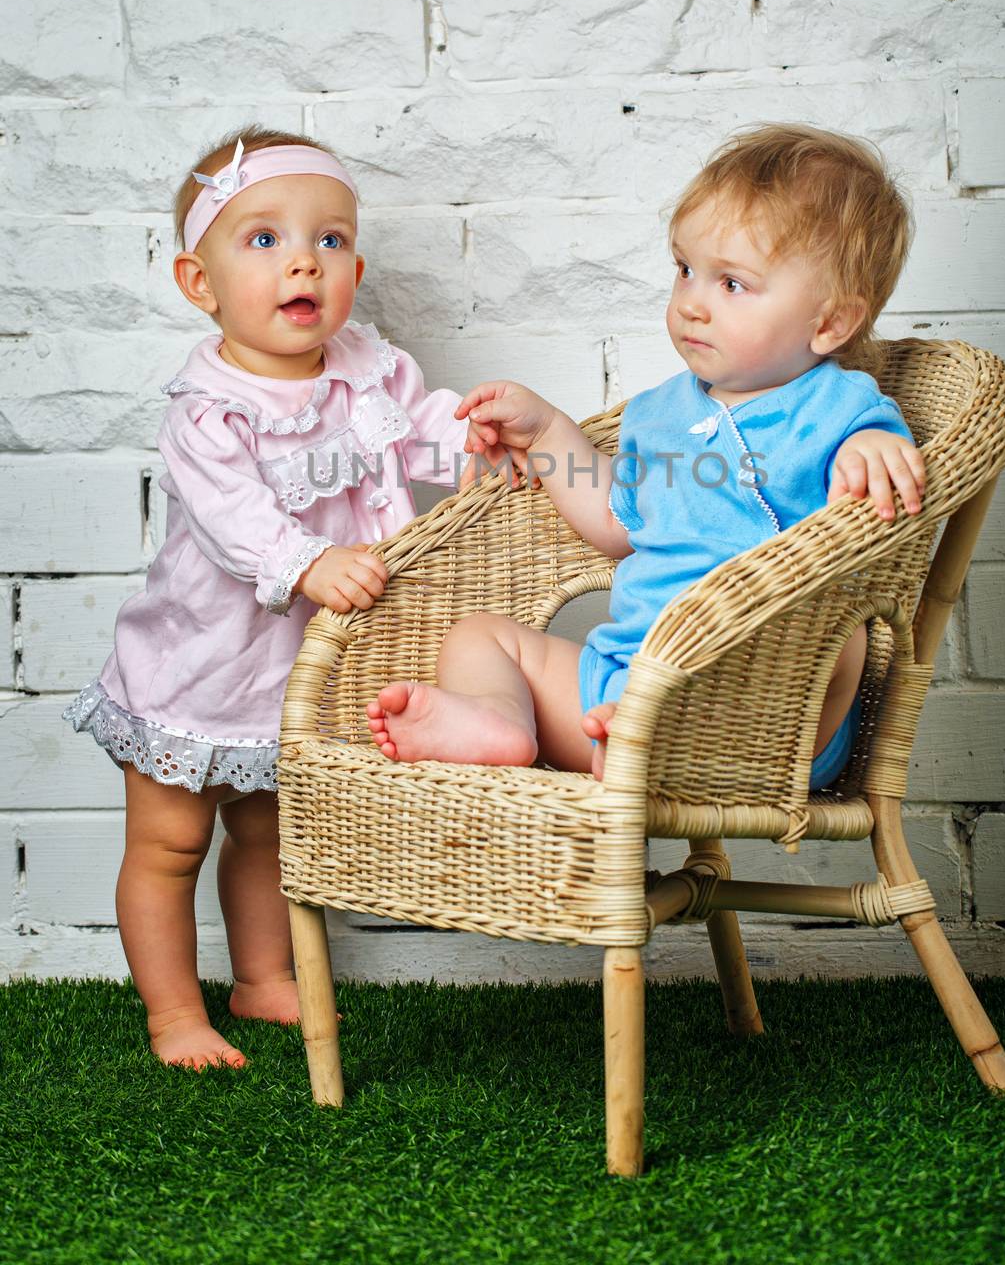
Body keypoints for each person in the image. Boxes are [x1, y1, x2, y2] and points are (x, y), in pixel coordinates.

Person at [63, 126, 470, 1070]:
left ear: (355, 269)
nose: (303, 261)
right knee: (169, 844)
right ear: (198, 285)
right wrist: (311, 560)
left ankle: (260, 978)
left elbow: (422, 438)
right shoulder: (208, 409)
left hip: (291, 675)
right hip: (194, 666)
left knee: (267, 833)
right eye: (264, 240)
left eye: (328, 241)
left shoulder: (372, 369)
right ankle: (172, 1013)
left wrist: (485, 435)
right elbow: (230, 519)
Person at [367, 123, 927, 785]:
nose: (691, 302)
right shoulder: (659, 412)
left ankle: (654, 741)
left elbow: (884, 449)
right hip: (627, 677)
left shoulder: (835, 406)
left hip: (768, 710)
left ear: (829, 323)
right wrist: (547, 431)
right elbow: (617, 524)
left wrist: (872, 443)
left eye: (731, 284)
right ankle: (503, 723)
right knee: (478, 636)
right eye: (685, 270)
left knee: (837, 631)